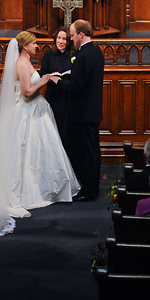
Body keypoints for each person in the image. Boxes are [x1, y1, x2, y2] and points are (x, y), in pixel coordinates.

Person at [0, 31, 79, 236]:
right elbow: (27, 93)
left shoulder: (26, 60)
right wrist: (44, 81)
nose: (37, 46)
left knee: (39, 150)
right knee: (25, 150)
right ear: (24, 46)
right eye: (34, 44)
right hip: (28, 111)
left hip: (36, 109)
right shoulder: (21, 63)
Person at [50, 19, 105, 202]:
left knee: (86, 153)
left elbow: (77, 85)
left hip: (82, 113)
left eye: (72, 35)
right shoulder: (96, 52)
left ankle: (88, 191)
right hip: (93, 110)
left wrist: (59, 82)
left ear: (81, 35)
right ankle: (92, 188)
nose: (71, 39)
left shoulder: (83, 55)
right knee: (93, 151)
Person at [39, 27, 72, 149]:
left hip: (67, 96)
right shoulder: (49, 54)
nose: (61, 41)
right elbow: (42, 73)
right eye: (59, 38)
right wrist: (52, 77)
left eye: (64, 39)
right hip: (53, 95)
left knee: (66, 128)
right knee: (53, 126)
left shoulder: (73, 54)